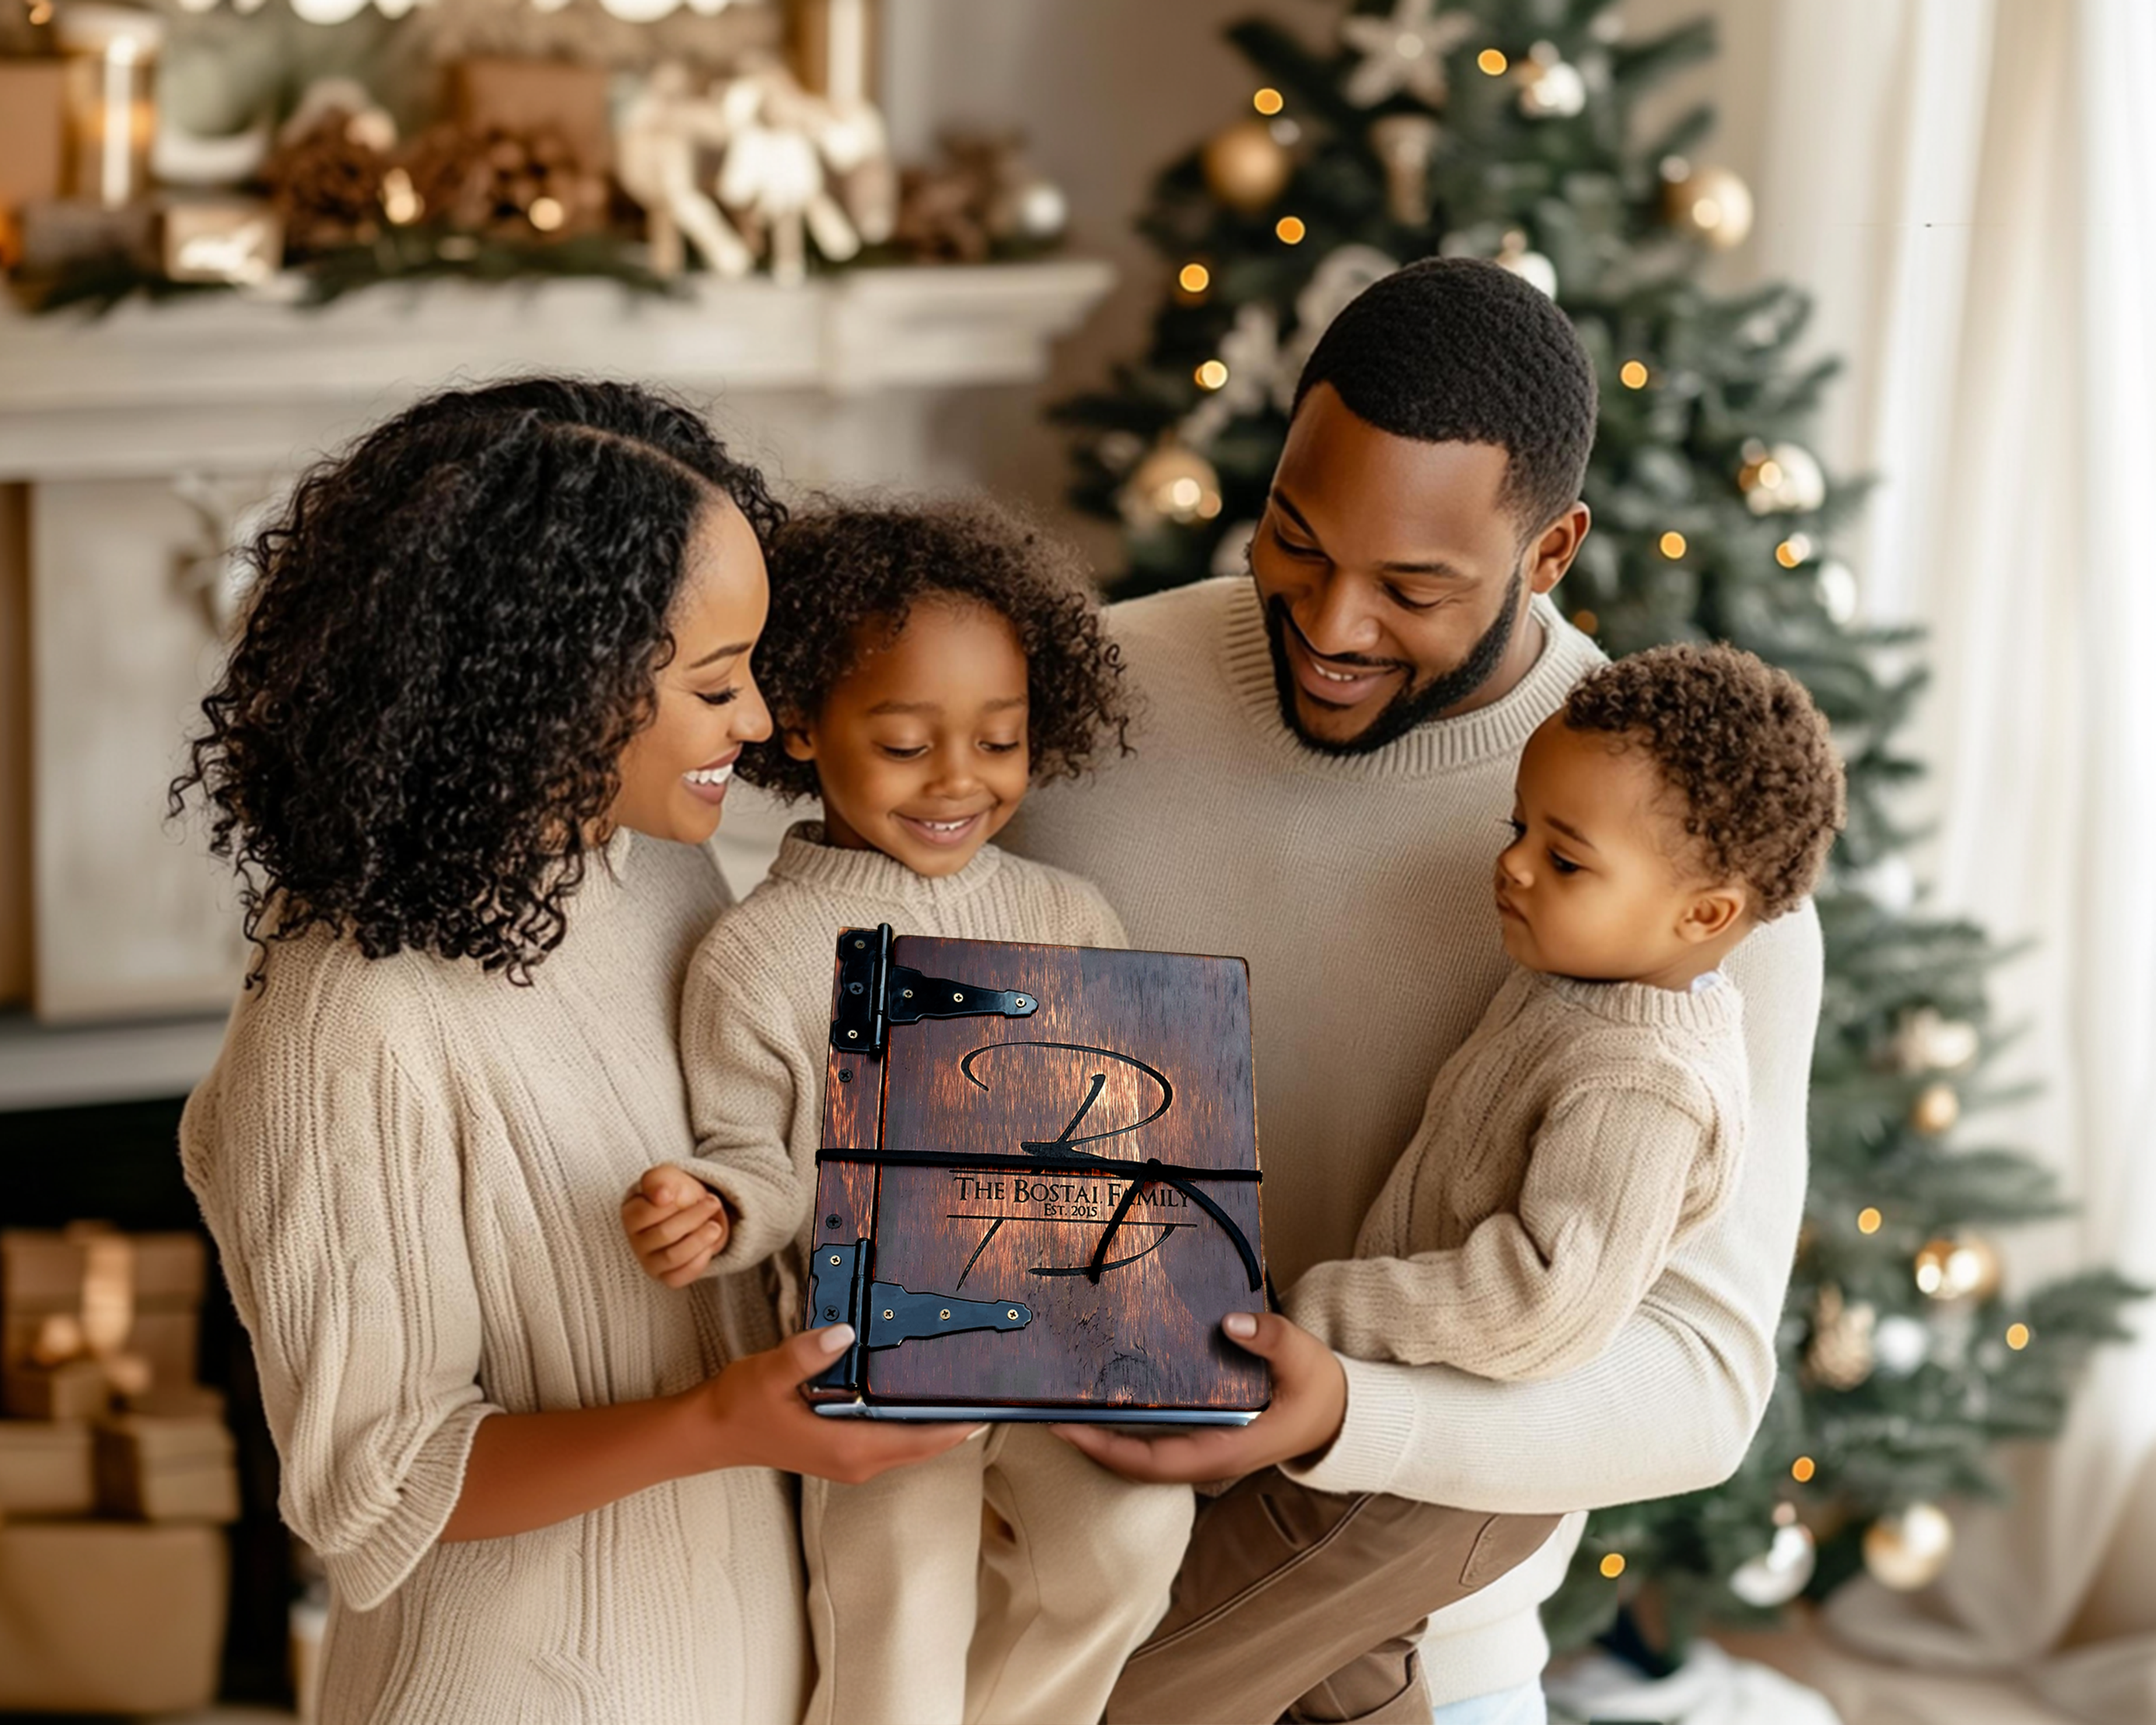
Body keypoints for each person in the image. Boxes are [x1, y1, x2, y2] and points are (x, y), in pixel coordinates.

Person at [1009, 257, 1827, 1725]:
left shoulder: (1690, 874)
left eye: (1413, 588)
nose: (1330, 623)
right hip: (1032, 1605)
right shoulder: (1072, 701)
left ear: (1551, 549)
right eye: (1294, 539)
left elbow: (1699, 1379)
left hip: (1425, 1655)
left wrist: (1344, 1413)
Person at [172, 380, 970, 1725]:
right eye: (714, 683)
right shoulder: (343, 1025)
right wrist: (718, 1424)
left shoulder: (640, 866)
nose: (758, 721)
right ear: (554, 684)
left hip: (739, 1663)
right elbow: (374, 1484)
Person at [1106, 645, 1846, 1724]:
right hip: (1406, 1425)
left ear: (1703, 917)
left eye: (1566, 860)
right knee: (1344, 1685)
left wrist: (1318, 1311)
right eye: (1518, 829)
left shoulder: (1643, 1081)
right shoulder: (1581, 984)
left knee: (1151, 1682)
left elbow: (1541, 1297)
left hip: (1432, 1471)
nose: (1513, 867)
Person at [623, 498, 1193, 1725]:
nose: (957, 779)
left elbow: (1140, 1144)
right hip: (875, 1367)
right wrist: (716, 1205)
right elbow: (752, 1156)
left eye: (999, 739)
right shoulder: (758, 956)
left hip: (1061, 1345)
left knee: (1134, 1537)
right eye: (902, 743)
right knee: (897, 1624)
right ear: (802, 723)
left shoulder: (1071, 915)